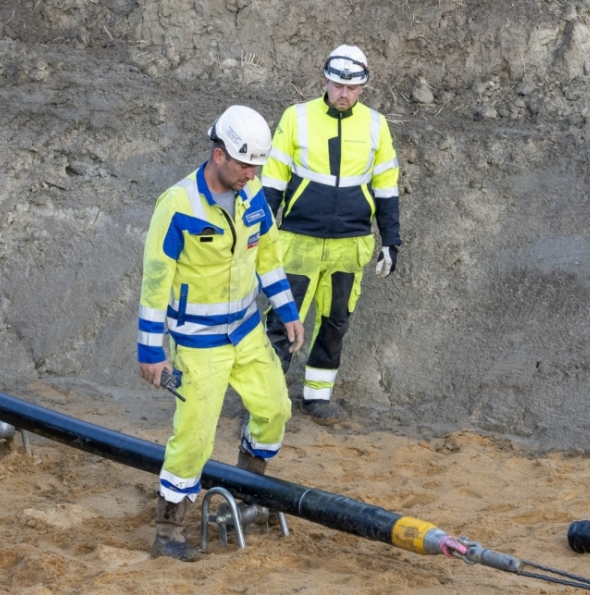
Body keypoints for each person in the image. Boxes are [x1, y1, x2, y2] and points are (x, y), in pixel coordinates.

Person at [137, 105, 304, 562]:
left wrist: (286, 310)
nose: (253, 174)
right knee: (194, 435)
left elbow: (267, 255)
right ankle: (169, 528)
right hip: (198, 343)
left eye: (257, 166)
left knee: (274, 408)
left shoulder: (251, 199)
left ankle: (248, 487)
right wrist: (151, 349)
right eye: (246, 164)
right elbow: (156, 280)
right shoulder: (178, 205)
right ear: (218, 155)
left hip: (246, 333)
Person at [261, 45, 401, 426]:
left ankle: (317, 397)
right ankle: (266, 400)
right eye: (338, 84)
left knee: (336, 321)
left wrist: (391, 240)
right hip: (297, 241)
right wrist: (257, 232)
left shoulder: (376, 126)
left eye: (353, 88)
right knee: (281, 321)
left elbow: (386, 186)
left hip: (349, 244)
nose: (344, 93)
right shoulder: (296, 118)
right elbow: (272, 180)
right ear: (324, 79)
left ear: (363, 88)